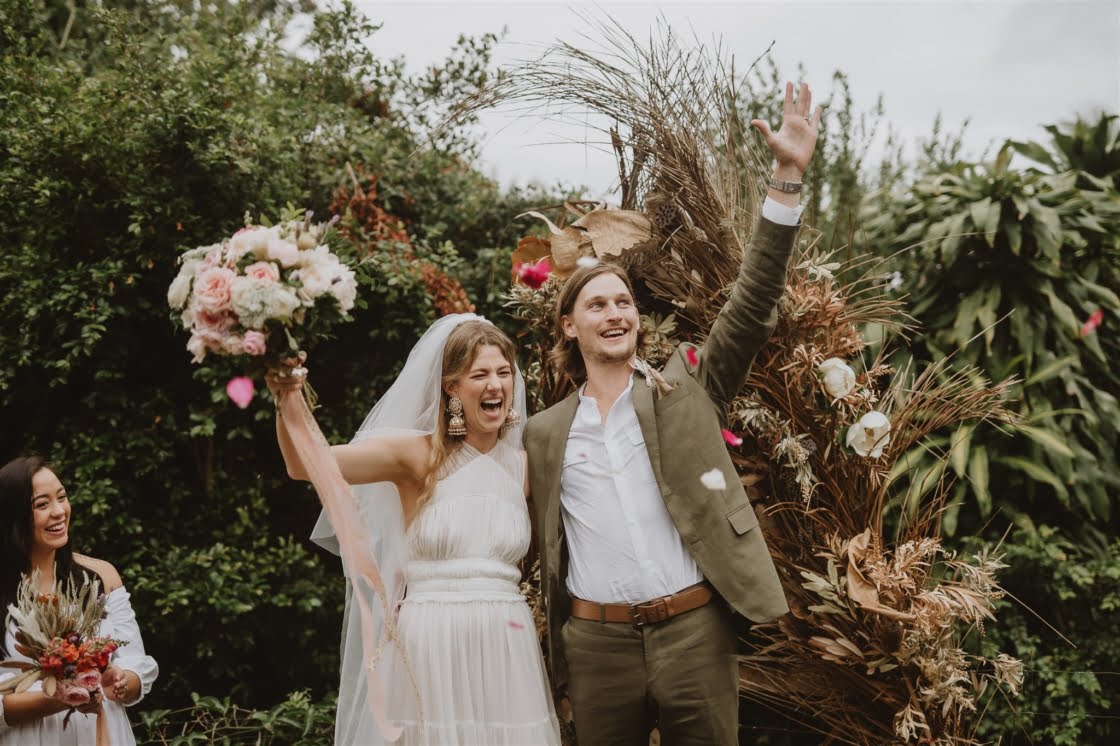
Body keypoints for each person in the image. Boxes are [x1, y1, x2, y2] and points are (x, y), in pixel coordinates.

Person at [523, 81, 821, 744]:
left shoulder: (686, 382)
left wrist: (786, 178)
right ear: (569, 325)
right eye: (596, 305)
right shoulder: (542, 433)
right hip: (597, 645)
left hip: (694, 632)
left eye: (623, 302)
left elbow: (751, 305)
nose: (615, 314)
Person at [267, 314, 561, 746]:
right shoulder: (415, 456)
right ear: (451, 387)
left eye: (503, 373)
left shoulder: (523, 467)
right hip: (432, 639)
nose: (496, 385)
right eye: (479, 374)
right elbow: (303, 464)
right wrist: (288, 392)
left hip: (506, 641)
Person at [0, 455, 159, 746]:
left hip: (100, 733)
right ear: (13, 517)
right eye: (42, 504)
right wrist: (61, 699)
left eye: (62, 497)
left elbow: (137, 665)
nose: (59, 511)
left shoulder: (101, 576)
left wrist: (121, 683)